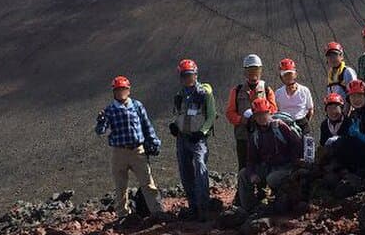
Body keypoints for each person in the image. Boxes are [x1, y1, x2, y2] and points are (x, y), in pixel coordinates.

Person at [95, 75, 165, 221]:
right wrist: (100, 122)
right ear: (114, 92)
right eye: (118, 90)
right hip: (119, 152)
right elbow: (101, 131)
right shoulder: (110, 110)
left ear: (128, 90)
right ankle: (123, 215)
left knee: (148, 183)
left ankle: (157, 213)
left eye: (123, 89)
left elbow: (146, 125)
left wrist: (154, 142)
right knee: (120, 186)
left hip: (137, 150)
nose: (121, 92)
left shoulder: (137, 106)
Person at [168, 59, 216, 221]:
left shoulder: (204, 93)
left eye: (190, 75)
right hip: (182, 139)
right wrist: (175, 126)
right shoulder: (179, 96)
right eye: (184, 75)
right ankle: (193, 206)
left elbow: (211, 116)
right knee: (185, 172)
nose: (188, 78)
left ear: (196, 75)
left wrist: (202, 132)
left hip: (198, 140)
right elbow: (179, 115)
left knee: (201, 168)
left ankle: (204, 206)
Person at [236, 97, 303, 212]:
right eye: (258, 115)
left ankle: (282, 204)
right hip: (268, 167)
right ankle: (249, 209)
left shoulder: (281, 127)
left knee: (272, 179)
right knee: (243, 174)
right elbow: (251, 159)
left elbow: (297, 145)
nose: (262, 117)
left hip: (286, 166)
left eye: (264, 113)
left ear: (270, 112)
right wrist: (252, 174)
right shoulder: (255, 134)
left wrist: (295, 166)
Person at [226, 54, 278, 170]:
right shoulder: (237, 90)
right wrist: (241, 120)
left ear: (260, 70)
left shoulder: (266, 89)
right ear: (245, 71)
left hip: (264, 136)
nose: (253, 73)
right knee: (244, 168)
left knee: (263, 166)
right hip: (243, 136)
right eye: (250, 70)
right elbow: (230, 113)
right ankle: (244, 187)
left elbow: (274, 110)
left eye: (256, 69)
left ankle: (261, 188)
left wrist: (263, 116)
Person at [274, 58, 314, 135]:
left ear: (295, 74)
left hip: (302, 124)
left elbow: (310, 110)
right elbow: (276, 111)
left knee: (307, 145)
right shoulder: (278, 93)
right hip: (285, 125)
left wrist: (304, 122)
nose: (288, 77)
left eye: (290, 74)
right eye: (285, 74)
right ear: (281, 77)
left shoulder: (304, 90)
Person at [318, 92, 351, 160]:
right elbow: (322, 143)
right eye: (329, 108)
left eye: (336, 108)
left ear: (341, 109)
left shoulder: (348, 122)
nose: (333, 112)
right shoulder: (324, 124)